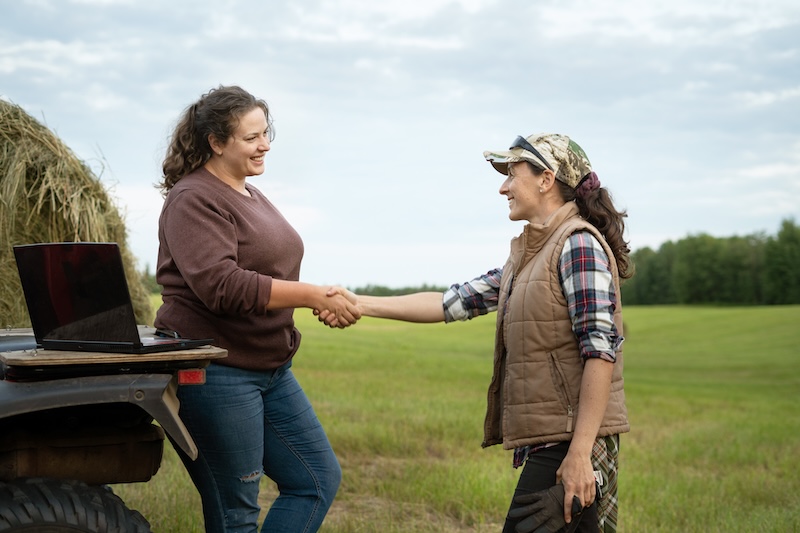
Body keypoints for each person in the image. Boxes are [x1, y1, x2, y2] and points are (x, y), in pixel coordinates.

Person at [323, 133, 632, 532]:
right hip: (553, 439)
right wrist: (359, 304)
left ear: (546, 179)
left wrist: (580, 454)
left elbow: (600, 352)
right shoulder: (528, 258)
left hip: (569, 443)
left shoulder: (577, 246)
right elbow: (451, 302)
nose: (503, 186)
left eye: (512, 173)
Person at [154, 85, 359, 533]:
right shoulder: (193, 198)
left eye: (265, 133)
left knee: (316, 480)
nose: (264, 145)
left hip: (269, 366)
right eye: (251, 138)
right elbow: (221, 286)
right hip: (216, 371)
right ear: (216, 142)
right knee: (237, 512)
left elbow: (266, 270)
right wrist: (309, 295)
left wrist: (316, 297)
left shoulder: (249, 193)